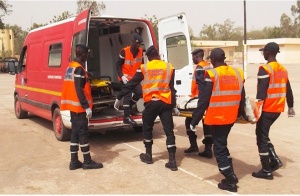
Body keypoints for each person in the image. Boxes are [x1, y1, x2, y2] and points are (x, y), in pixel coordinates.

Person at [114, 45, 180, 171]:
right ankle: (172, 161)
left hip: (151, 104)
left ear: (148, 57)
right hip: (166, 103)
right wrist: (174, 105)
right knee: (169, 131)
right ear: (159, 56)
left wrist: (119, 97)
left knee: (147, 128)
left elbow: (131, 84)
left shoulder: (144, 68)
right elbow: (172, 88)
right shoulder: (169, 67)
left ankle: (148, 155)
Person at [190, 48, 246, 192]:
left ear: (213, 60)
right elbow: (242, 96)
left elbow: (203, 100)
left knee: (219, 148)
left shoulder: (212, 74)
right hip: (231, 116)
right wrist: (239, 114)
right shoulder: (237, 72)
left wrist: (194, 120)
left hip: (218, 116)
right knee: (222, 143)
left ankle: (229, 179)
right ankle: (231, 173)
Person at [252, 42, 295, 180]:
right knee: (263, 134)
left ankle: (266, 169)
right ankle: (274, 160)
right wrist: (291, 106)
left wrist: (255, 112)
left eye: (264, 51)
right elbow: (288, 89)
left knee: (261, 138)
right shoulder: (282, 69)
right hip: (277, 109)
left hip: (267, 109)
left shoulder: (265, 69)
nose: (263, 54)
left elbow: (261, 93)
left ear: (268, 52)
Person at [61, 44, 103, 170]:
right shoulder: (79, 69)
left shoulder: (71, 67)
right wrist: (87, 107)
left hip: (73, 107)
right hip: (79, 108)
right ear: (83, 54)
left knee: (74, 134)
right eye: (87, 54)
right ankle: (87, 161)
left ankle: (73, 162)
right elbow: (79, 90)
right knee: (83, 134)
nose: (87, 56)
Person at [184, 48, 214, 159]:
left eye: (193, 57)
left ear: (197, 56)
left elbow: (201, 86)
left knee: (189, 121)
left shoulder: (200, 68)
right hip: (208, 98)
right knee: (207, 124)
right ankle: (207, 149)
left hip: (199, 99)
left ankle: (194, 145)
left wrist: (201, 102)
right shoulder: (209, 65)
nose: (192, 59)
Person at [116, 33, 144, 125]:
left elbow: (142, 64)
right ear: (132, 42)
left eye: (139, 44)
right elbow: (118, 65)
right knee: (127, 95)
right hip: (126, 78)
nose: (138, 45)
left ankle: (130, 107)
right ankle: (126, 117)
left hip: (135, 78)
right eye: (137, 43)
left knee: (139, 92)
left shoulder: (140, 51)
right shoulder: (124, 51)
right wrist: (122, 76)